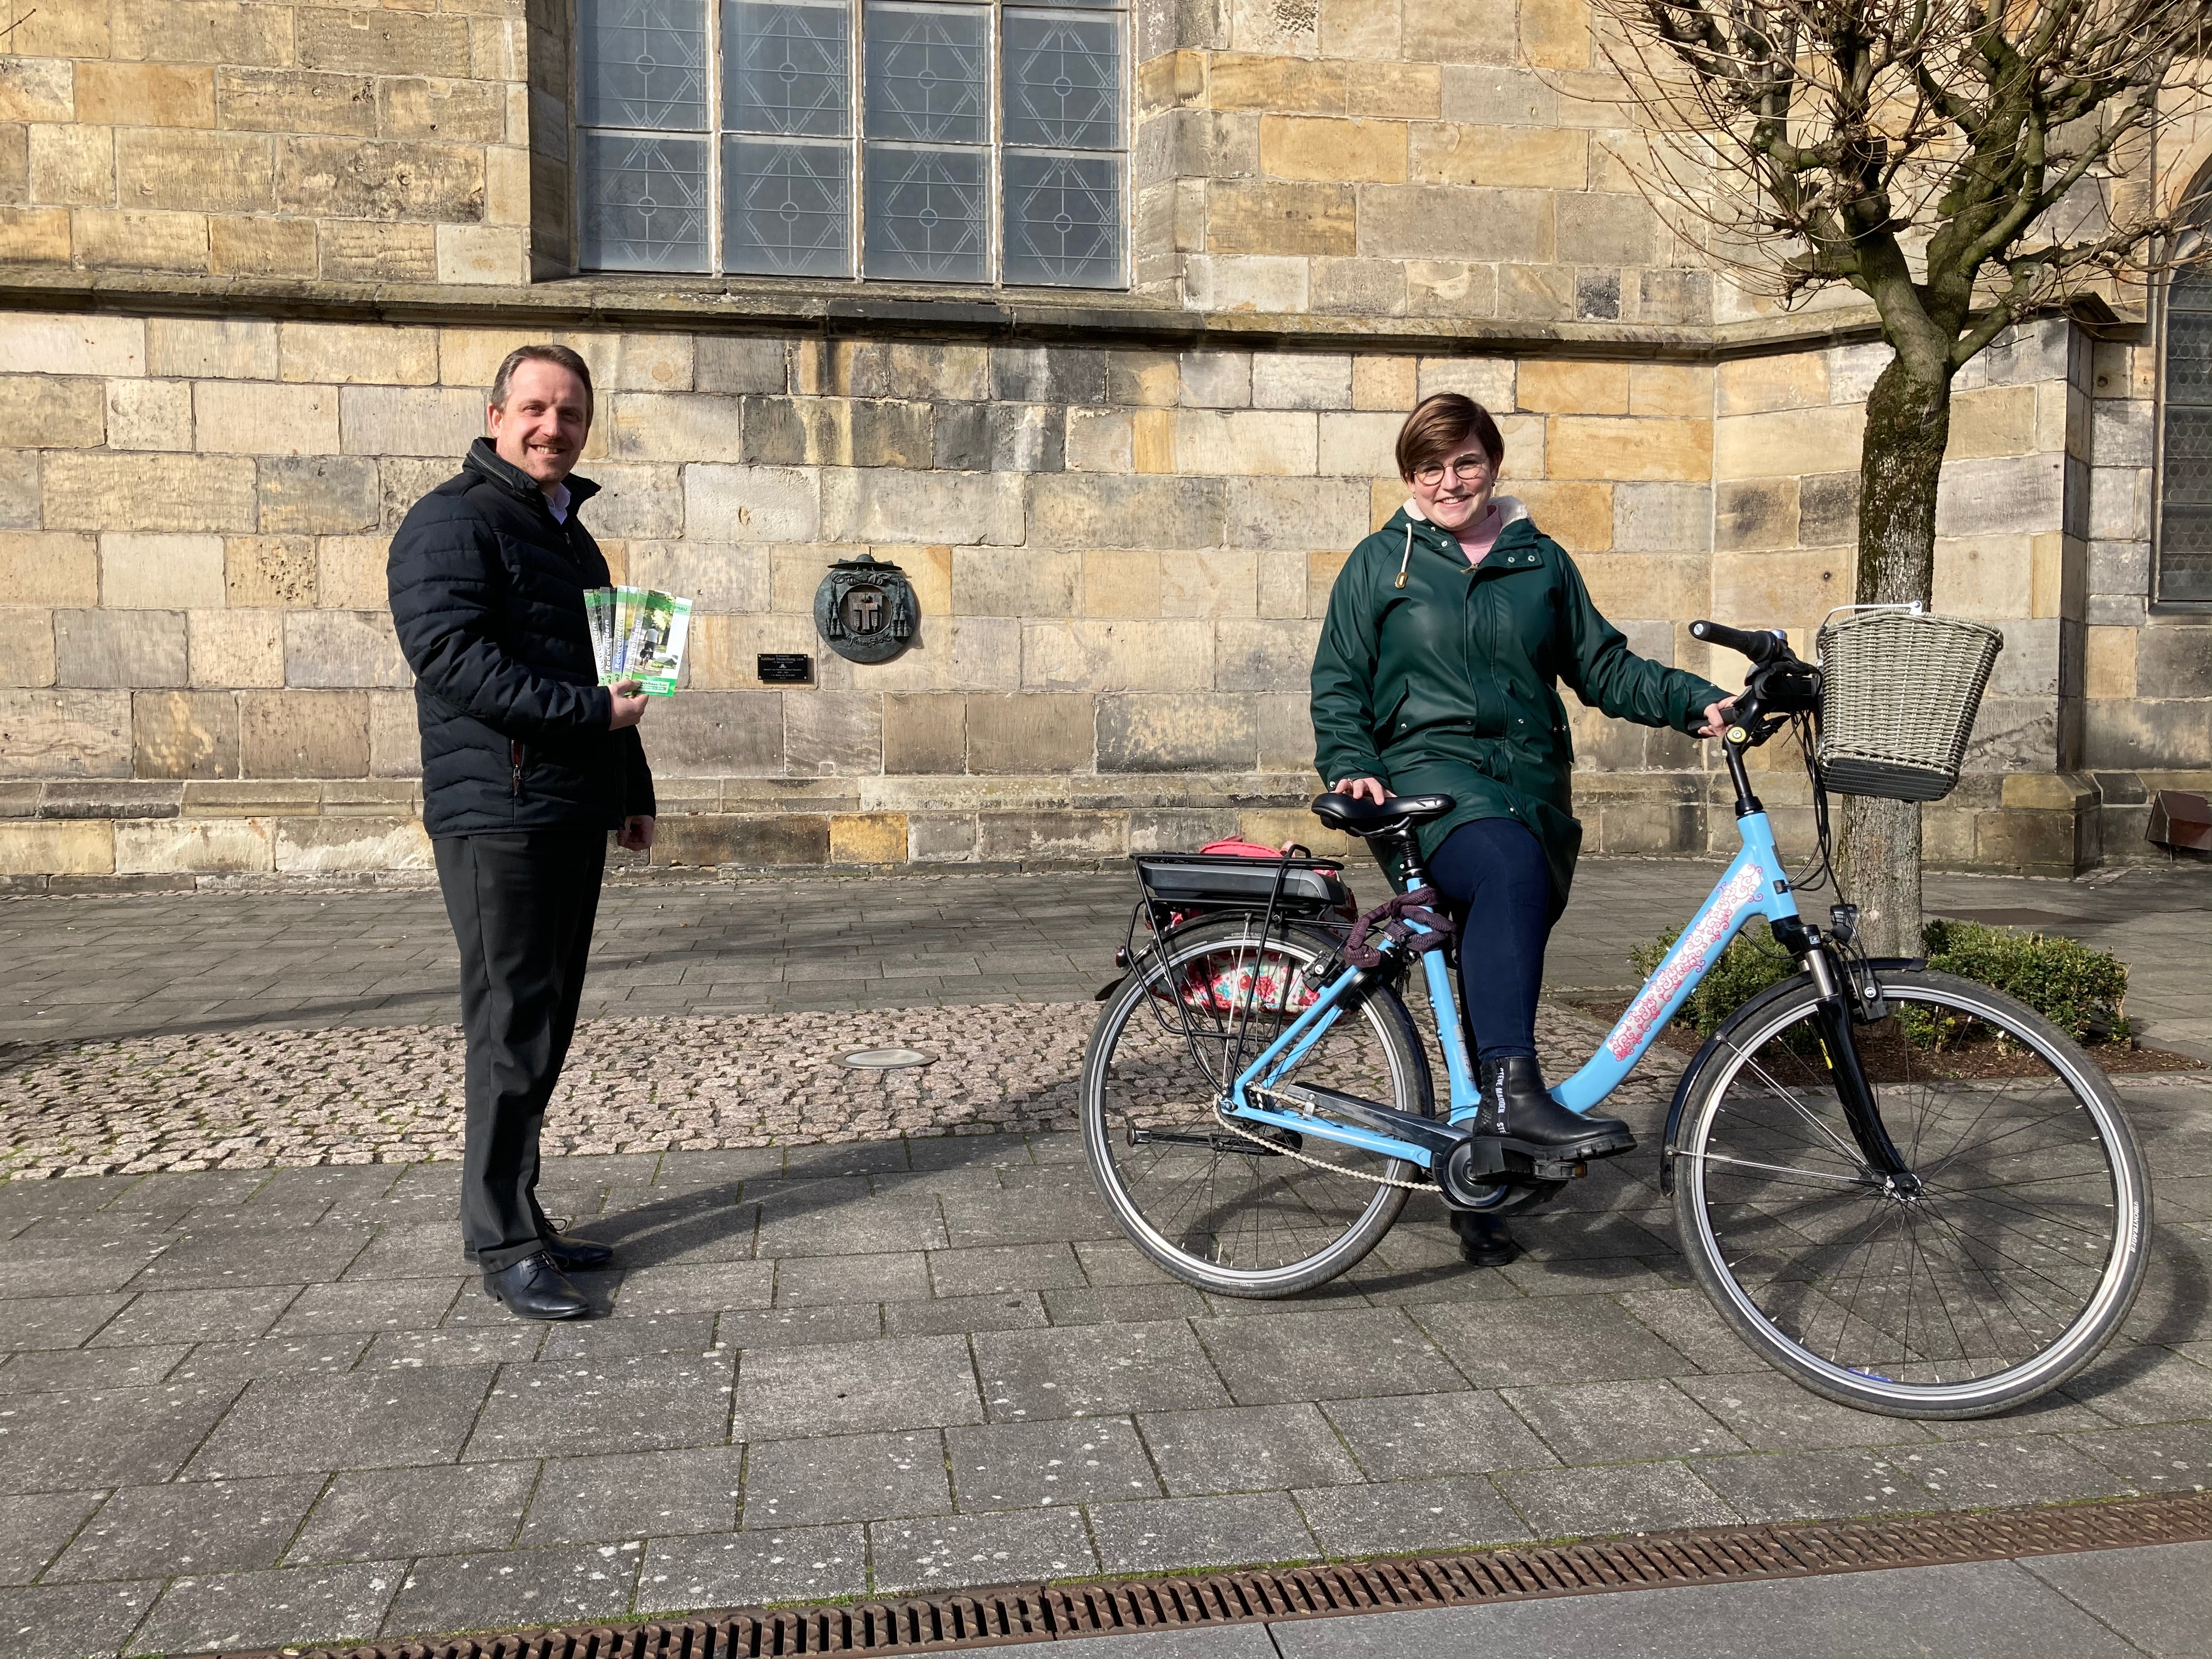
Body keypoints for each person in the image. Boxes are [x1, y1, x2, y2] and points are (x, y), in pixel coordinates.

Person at [1310, 393, 1737, 1267]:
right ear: (1409, 478)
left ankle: (1483, 1167)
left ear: (1492, 464)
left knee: (1506, 925)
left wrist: (1698, 701)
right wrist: (1351, 757)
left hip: (1529, 794)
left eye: (1464, 462)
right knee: (1504, 867)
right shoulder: (1379, 564)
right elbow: (1338, 681)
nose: (1448, 481)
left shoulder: (1539, 560)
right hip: (1429, 790)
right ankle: (1513, 1096)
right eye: (1429, 467)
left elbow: (1601, 666)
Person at [388, 344, 657, 1321]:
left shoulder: (574, 538)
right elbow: (453, 662)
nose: (554, 428)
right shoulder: (450, 522)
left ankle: (523, 1213)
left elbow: (614, 680)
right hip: (493, 813)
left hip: (566, 807)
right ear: (497, 413)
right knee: (508, 1028)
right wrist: (595, 721)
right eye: (537, 409)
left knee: (542, 1022)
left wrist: (632, 785)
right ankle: (500, 1238)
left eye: (572, 414)